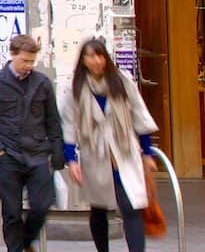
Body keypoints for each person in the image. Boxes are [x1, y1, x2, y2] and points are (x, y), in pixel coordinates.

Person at [64, 38, 159, 252]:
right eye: (91, 56)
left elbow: (139, 115)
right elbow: (68, 124)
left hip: (123, 151)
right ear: (84, 60)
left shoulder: (122, 81)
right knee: (98, 208)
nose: (97, 61)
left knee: (130, 206)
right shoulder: (76, 87)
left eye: (100, 55)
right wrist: (71, 160)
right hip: (95, 154)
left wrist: (147, 152)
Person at [0, 34, 64, 252]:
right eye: (24, 60)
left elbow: (52, 119)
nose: (28, 66)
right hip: (9, 155)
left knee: (42, 204)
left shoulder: (42, 83)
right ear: (13, 55)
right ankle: (16, 249)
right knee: (11, 212)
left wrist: (58, 152)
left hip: (38, 153)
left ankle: (25, 242)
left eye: (32, 61)